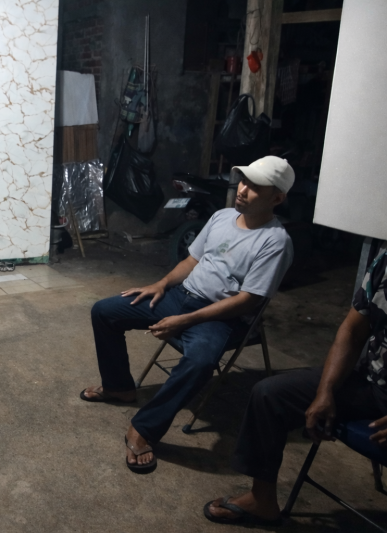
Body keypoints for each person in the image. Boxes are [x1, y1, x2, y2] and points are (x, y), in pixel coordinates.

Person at [81, 156, 295, 473]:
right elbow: (192, 261)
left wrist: (186, 321)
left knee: (201, 361)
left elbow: (248, 301)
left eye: (254, 187)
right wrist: (161, 284)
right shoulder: (222, 217)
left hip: (219, 318)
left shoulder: (275, 241)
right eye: (243, 181)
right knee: (104, 311)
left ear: (277, 198)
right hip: (180, 296)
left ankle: (144, 427)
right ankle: (119, 387)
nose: (242, 189)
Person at [204, 239, 387, 525]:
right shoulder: (384, 259)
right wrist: (325, 391)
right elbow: (353, 329)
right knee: (269, 394)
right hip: (373, 381)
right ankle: (262, 500)